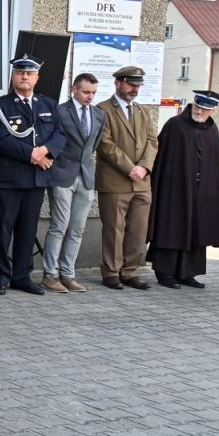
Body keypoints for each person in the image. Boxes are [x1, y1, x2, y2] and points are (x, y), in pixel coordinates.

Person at [0, 56, 66, 295]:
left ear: (37, 78)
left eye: (29, 73)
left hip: (36, 179)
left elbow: (60, 135)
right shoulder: (1, 104)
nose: (24, 77)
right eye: (20, 73)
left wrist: (46, 151)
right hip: (9, 180)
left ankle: (22, 276)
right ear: (13, 76)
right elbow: (1, 139)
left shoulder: (48, 105)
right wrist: (34, 155)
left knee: (28, 230)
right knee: (2, 230)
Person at [146, 90, 219, 289]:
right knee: (172, 228)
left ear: (213, 110)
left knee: (196, 230)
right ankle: (165, 272)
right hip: (174, 190)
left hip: (201, 193)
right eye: (197, 107)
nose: (199, 112)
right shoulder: (175, 125)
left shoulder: (212, 130)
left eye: (205, 109)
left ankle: (188, 273)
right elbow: (162, 158)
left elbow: (215, 162)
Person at [95, 64, 157, 290]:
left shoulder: (142, 111)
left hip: (142, 182)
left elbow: (152, 141)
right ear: (118, 83)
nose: (135, 89)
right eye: (131, 84)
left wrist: (144, 167)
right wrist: (130, 168)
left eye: (138, 85)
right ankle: (111, 272)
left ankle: (130, 272)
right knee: (114, 229)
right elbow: (105, 144)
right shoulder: (102, 109)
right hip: (115, 181)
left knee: (138, 229)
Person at [41, 73, 105, 293]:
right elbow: (53, 140)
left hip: (86, 176)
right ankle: (50, 274)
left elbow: (93, 145)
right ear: (74, 90)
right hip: (62, 174)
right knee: (59, 226)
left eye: (94, 93)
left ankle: (68, 274)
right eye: (86, 92)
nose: (90, 97)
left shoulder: (99, 115)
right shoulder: (60, 111)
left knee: (77, 229)